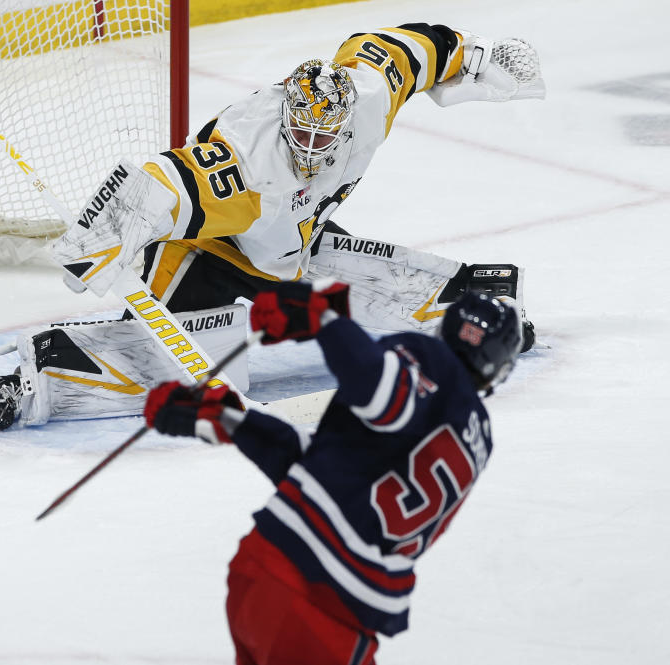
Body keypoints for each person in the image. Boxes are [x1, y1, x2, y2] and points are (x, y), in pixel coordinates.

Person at [0, 23, 542, 429]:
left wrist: (480, 59)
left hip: (291, 247)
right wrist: (103, 233)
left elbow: (413, 47)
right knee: (179, 364)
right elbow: (166, 180)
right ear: (285, 118)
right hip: (212, 256)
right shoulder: (247, 156)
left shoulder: (367, 96)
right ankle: (28, 384)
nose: (311, 146)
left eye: (323, 136)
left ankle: (474, 320)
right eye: (301, 133)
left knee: (394, 287)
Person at [143, 281, 523, 664]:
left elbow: (363, 404)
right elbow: (371, 400)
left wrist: (320, 320)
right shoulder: (478, 440)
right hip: (323, 607)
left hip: (261, 570)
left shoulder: (429, 370)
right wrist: (323, 322)